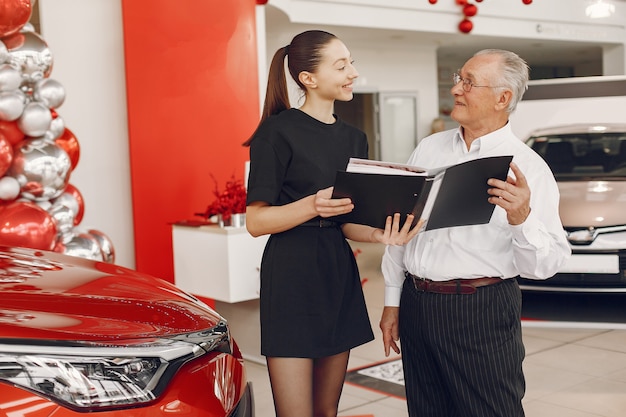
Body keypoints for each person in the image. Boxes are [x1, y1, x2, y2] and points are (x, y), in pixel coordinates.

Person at [379, 49, 571, 417]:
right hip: (418, 304)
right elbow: (406, 228)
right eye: (458, 78)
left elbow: (547, 265)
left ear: (503, 98)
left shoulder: (529, 167)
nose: (456, 90)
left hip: (479, 310)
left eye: (469, 82)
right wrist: (392, 300)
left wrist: (522, 217)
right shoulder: (429, 148)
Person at [243, 30, 421, 417]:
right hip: (290, 276)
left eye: (351, 62)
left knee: (327, 411)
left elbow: (348, 221)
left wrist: (379, 234)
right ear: (308, 78)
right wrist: (311, 205)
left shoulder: (354, 139)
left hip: (337, 274)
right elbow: (255, 221)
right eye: (341, 65)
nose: (353, 72)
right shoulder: (277, 132)